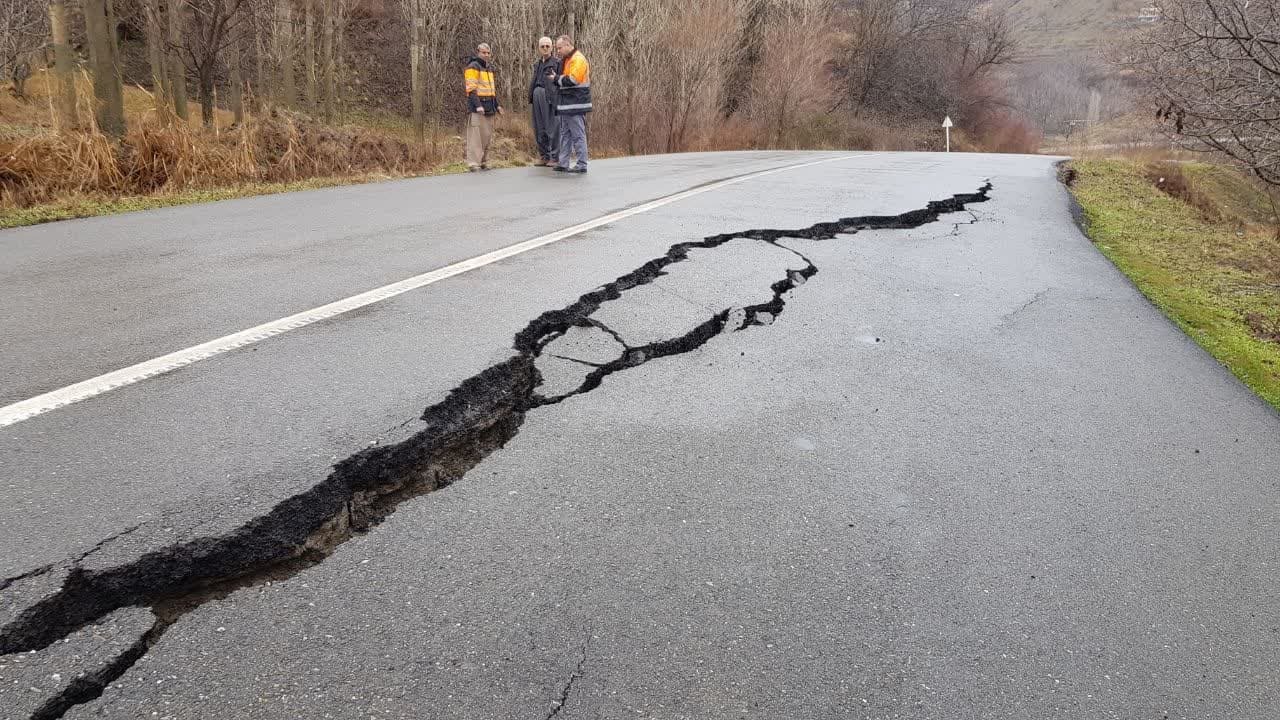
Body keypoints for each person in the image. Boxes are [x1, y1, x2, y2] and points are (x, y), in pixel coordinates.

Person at [548, 35, 591, 174]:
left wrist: (555, 78)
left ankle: (582, 164)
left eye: (560, 48)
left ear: (568, 45)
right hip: (567, 104)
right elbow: (565, 78)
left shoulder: (578, 59)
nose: (558, 51)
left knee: (578, 135)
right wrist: (557, 77)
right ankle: (563, 162)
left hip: (575, 104)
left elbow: (572, 80)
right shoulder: (567, 60)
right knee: (565, 134)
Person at [464, 43, 502, 171]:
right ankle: (473, 163)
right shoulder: (472, 67)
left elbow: (491, 90)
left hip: (489, 107)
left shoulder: (489, 68)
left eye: (488, 53)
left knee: (487, 136)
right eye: (483, 52)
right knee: (476, 137)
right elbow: (471, 89)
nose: (486, 55)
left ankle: (484, 161)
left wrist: (497, 106)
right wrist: (478, 106)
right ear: (478, 52)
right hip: (478, 108)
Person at [528, 37, 560, 166]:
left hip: (549, 97)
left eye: (548, 46)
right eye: (542, 46)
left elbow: (559, 81)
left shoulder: (556, 62)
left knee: (552, 126)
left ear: (552, 48)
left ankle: (555, 156)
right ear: (539, 48)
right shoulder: (537, 64)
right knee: (539, 127)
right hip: (537, 94)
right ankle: (544, 155)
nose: (545, 48)